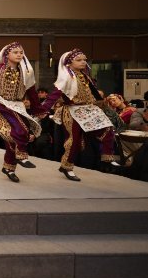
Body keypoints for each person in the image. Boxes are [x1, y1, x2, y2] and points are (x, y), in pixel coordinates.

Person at [43, 49, 119, 180]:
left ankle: (107, 157)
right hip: (72, 111)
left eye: (84, 60)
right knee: (74, 141)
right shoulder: (66, 78)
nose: (83, 62)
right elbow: (54, 96)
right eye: (79, 60)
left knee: (107, 128)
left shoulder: (85, 76)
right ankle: (67, 167)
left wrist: (102, 104)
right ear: (69, 63)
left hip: (88, 110)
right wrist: (42, 109)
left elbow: (94, 93)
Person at [0, 42, 44, 183]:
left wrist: (38, 109)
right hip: (1, 104)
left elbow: (31, 92)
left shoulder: (26, 71)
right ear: (7, 55)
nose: (19, 55)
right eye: (15, 52)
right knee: (21, 129)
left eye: (21, 52)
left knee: (11, 138)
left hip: (18, 105)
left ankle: (9, 168)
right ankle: (22, 155)